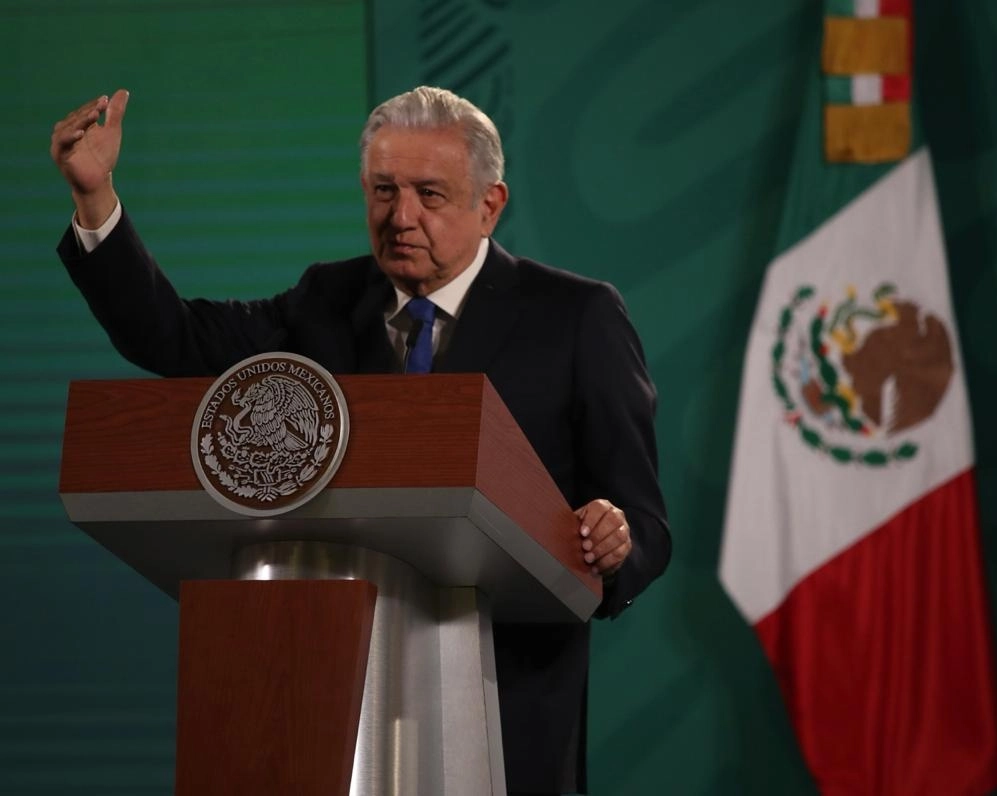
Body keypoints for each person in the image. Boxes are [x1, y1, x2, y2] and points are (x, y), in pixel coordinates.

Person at [52, 86, 671, 795]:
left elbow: (643, 522)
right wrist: (95, 199)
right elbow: (176, 339)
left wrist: (613, 543)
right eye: (383, 191)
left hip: (506, 710)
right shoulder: (325, 298)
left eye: (429, 194)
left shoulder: (577, 316)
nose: (400, 217)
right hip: (324, 703)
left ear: (490, 204)